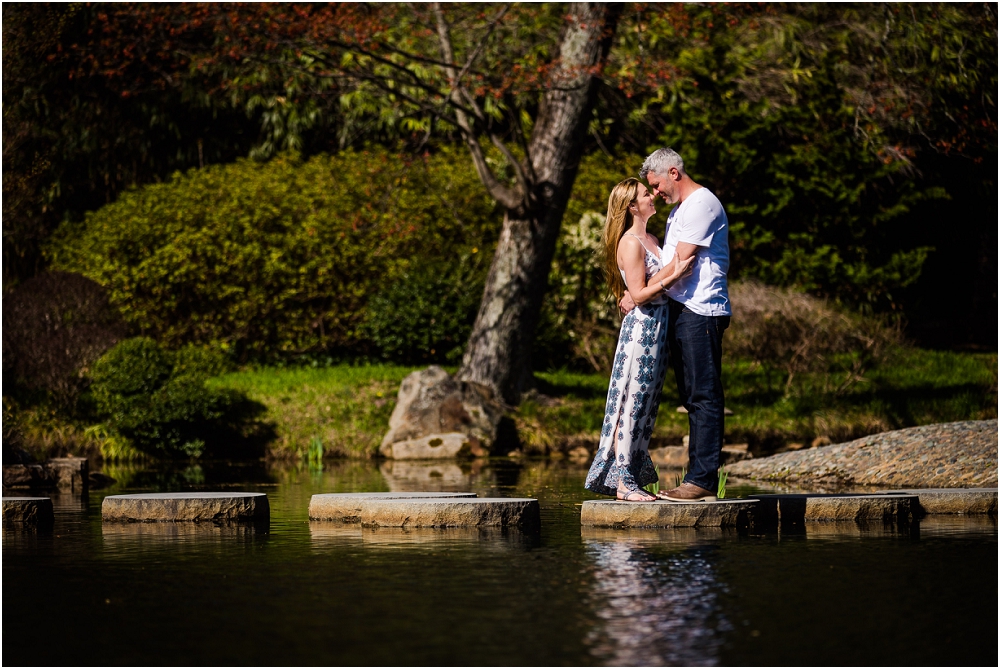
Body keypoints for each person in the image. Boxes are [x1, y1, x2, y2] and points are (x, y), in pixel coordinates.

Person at [622, 147, 731, 502]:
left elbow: (681, 262)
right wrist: (635, 290)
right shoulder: (679, 211)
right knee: (692, 396)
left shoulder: (701, 204)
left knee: (704, 396)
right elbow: (667, 263)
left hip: (702, 311)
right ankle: (697, 479)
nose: (655, 193)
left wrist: (638, 292)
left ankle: (700, 481)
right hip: (683, 311)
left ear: (673, 172)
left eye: (655, 184)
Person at [585, 178, 694, 502]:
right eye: (647, 194)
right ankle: (622, 482)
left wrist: (649, 285)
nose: (653, 196)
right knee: (630, 404)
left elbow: (641, 285)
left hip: (657, 332)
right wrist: (675, 274)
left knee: (645, 406)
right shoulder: (630, 242)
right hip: (640, 334)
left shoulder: (651, 238)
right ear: (632, 206)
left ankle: (629, 476)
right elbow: (639, 293)